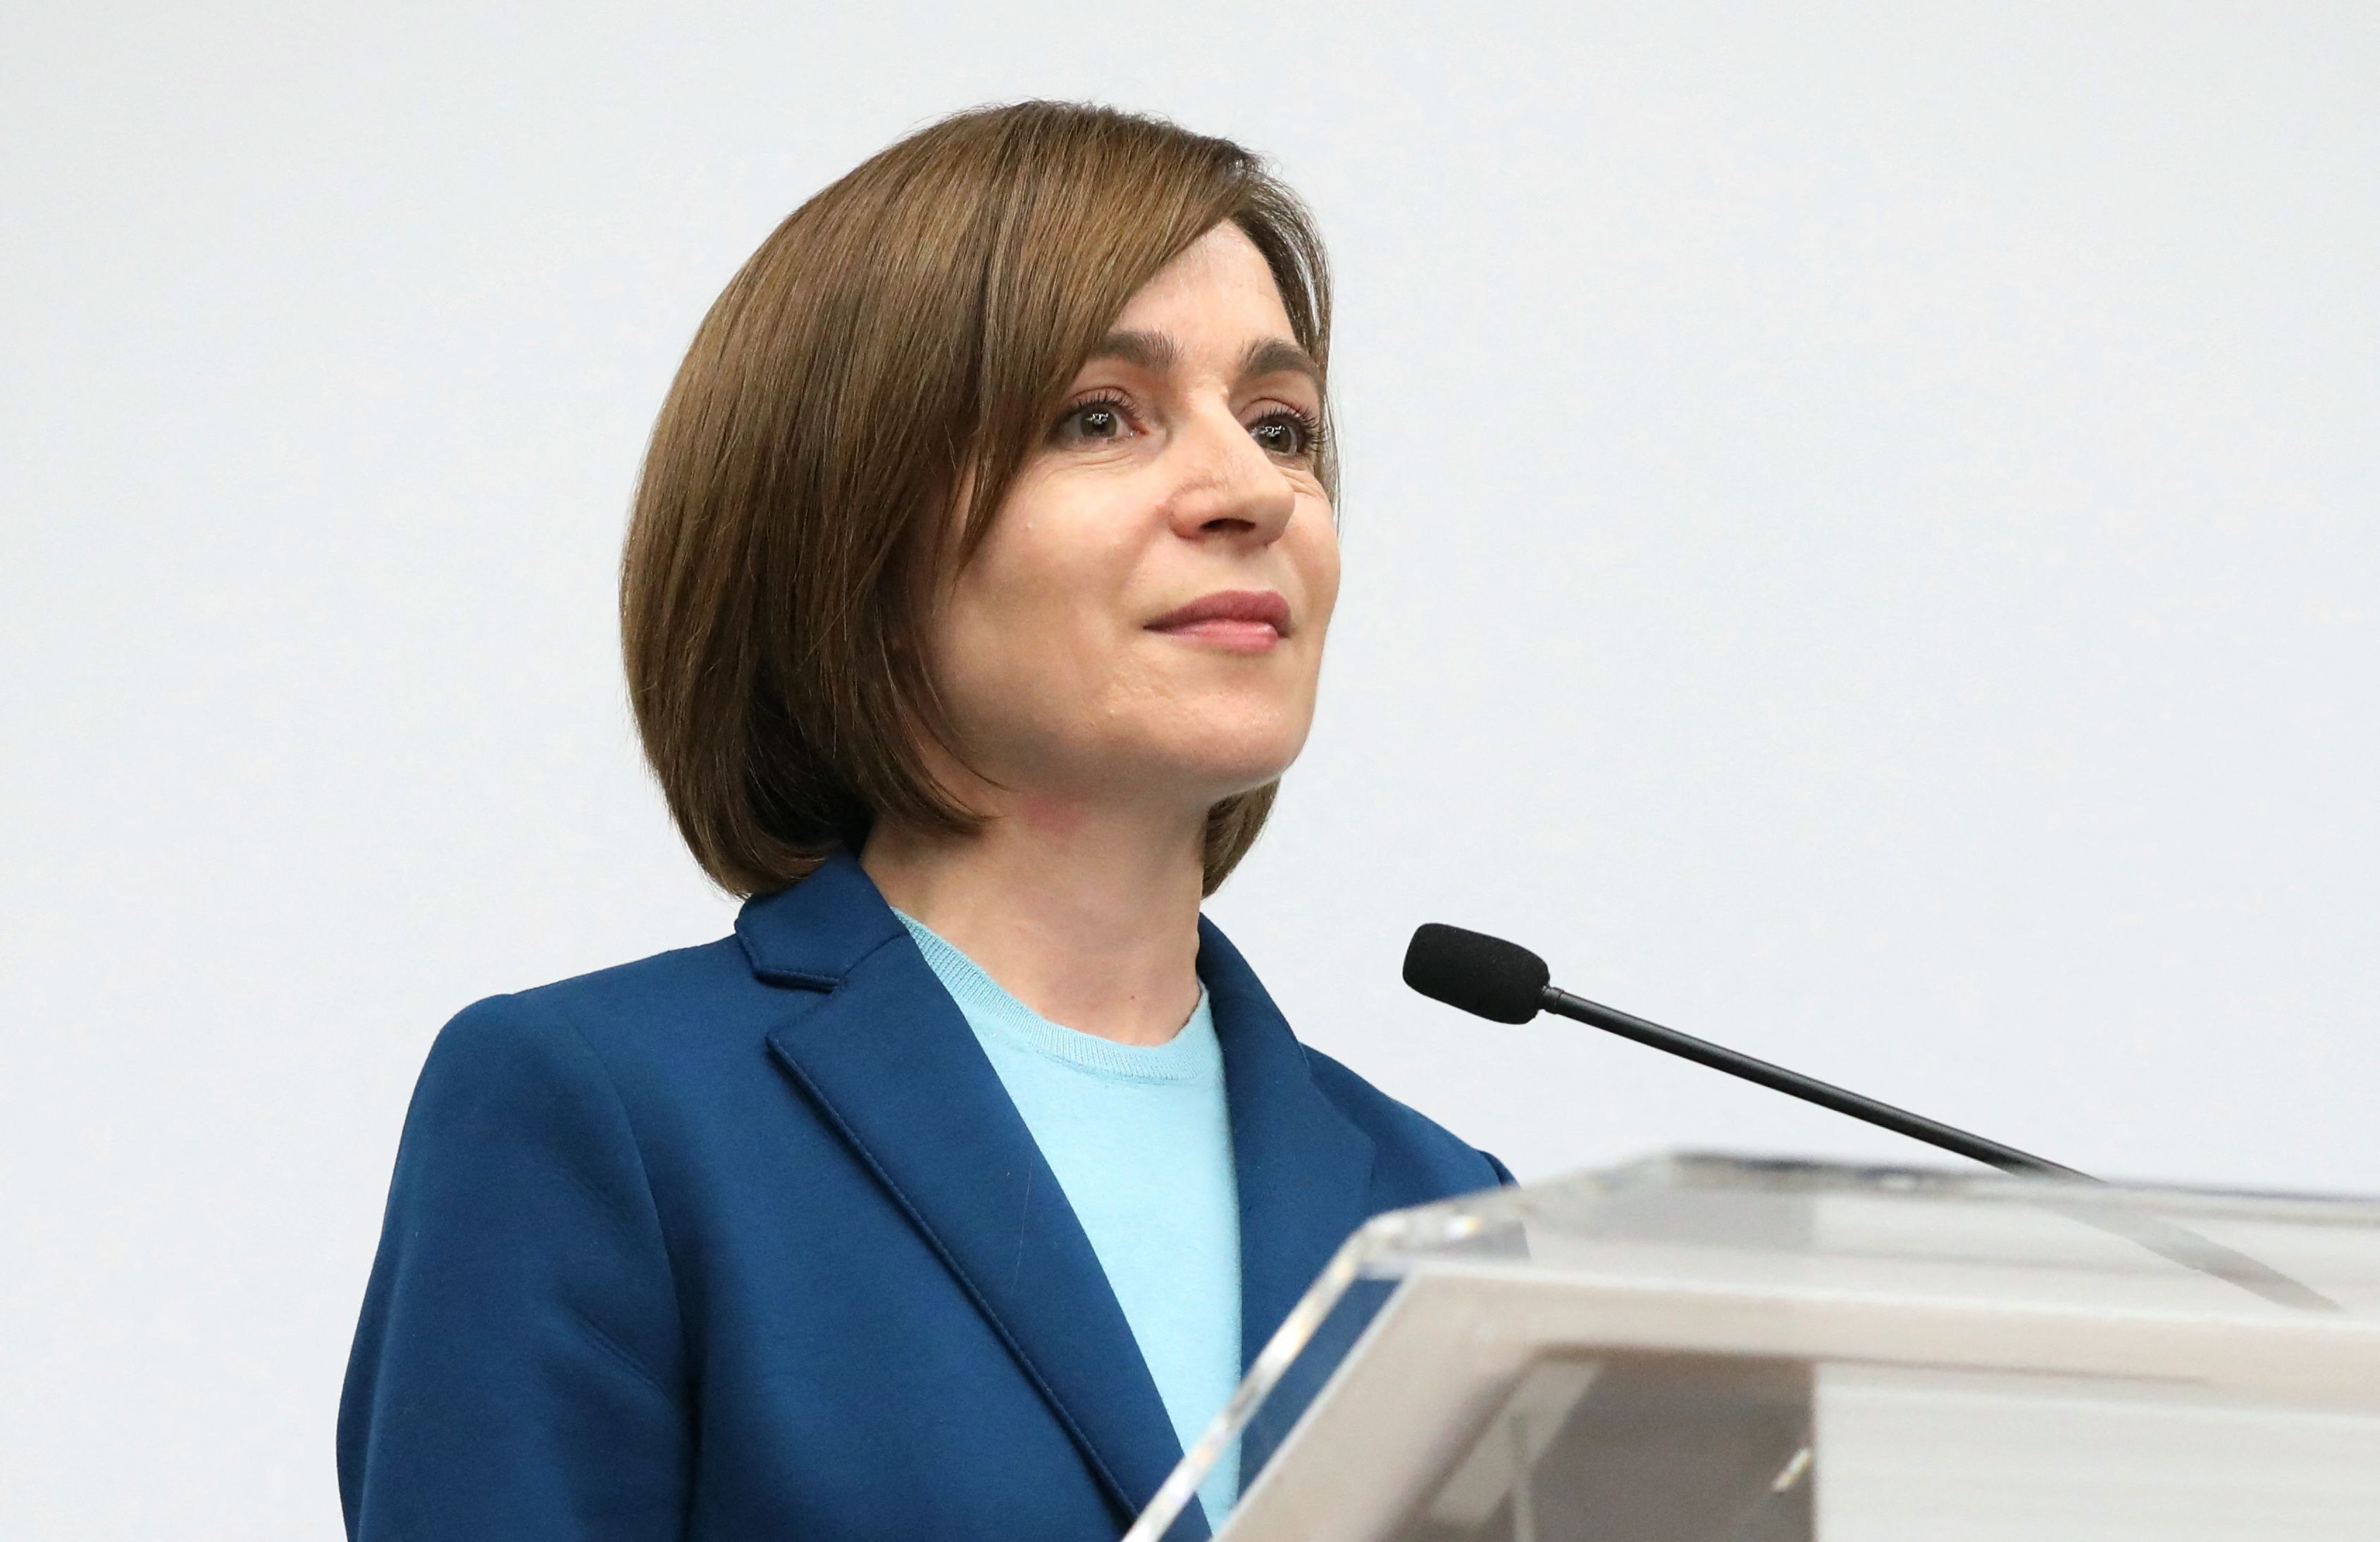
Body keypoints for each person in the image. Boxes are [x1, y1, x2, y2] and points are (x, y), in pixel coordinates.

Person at [337, 100, 1508, 1542]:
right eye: (1099, 416)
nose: (1254, 491)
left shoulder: (1448, 1214)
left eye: (1284, 426)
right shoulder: (604, 1117)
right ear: (849, 530)